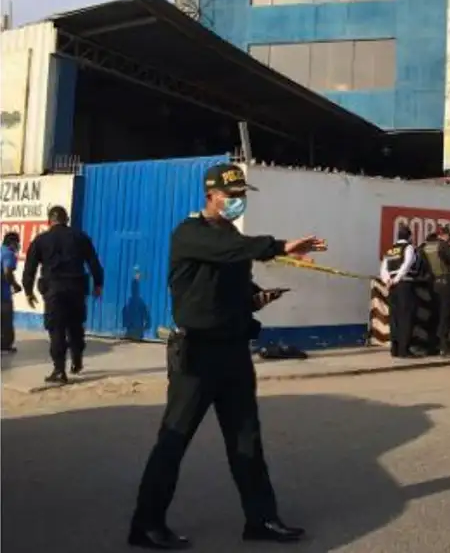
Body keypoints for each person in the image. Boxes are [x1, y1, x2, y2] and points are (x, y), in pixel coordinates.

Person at [129, 164, 326, 549]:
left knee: (246, 440)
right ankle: (147, 525)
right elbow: (230, 251)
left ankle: (262, 519)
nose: (238, 202)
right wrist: (281, 246)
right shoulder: (191, 234)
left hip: (234, 352)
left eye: (242, 195)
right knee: (174, 441)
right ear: (211, 196)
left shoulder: (230, 237)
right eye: (231, 196)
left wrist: (258, 298)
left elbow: (234, 284)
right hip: (198, 356)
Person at [21, 205, 104, 383]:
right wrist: (98, 283)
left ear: (48, 221)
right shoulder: (80, 237)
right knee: (75, 326)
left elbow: (30, 267)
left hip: (54, 291)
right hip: (76, 289)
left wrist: (28, 291)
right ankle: (77, 359)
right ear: (67, 220)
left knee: (56, 329)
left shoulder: (41, 240)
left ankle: (59, 370)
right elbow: (93, 262)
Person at [419, 226, 450, 356]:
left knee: (433, 315)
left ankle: (431, 346)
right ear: (444, 236)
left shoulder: (423, 247)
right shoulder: (444, 246)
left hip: (431, 285)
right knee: (445, 316)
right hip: (445, 284)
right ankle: (444, 347)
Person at [381, 225, 422, 359]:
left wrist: (388, 280)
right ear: (409, 236)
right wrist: (397, 279)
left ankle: (395, 349)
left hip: (392, 287)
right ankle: (404, 350)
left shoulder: (390, 250)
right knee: (406, 317)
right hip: (404, 284)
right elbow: (407, 264)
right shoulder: (408, 248)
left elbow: (384, 268)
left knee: (394, 317)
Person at [1, 231, 22, 353]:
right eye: (17, 243)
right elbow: (7, 271)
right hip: (3, 295)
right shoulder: (8, 254)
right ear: (11, 243)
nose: (18, 246)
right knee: (6, 321)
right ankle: (5, 345)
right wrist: (15, 285)